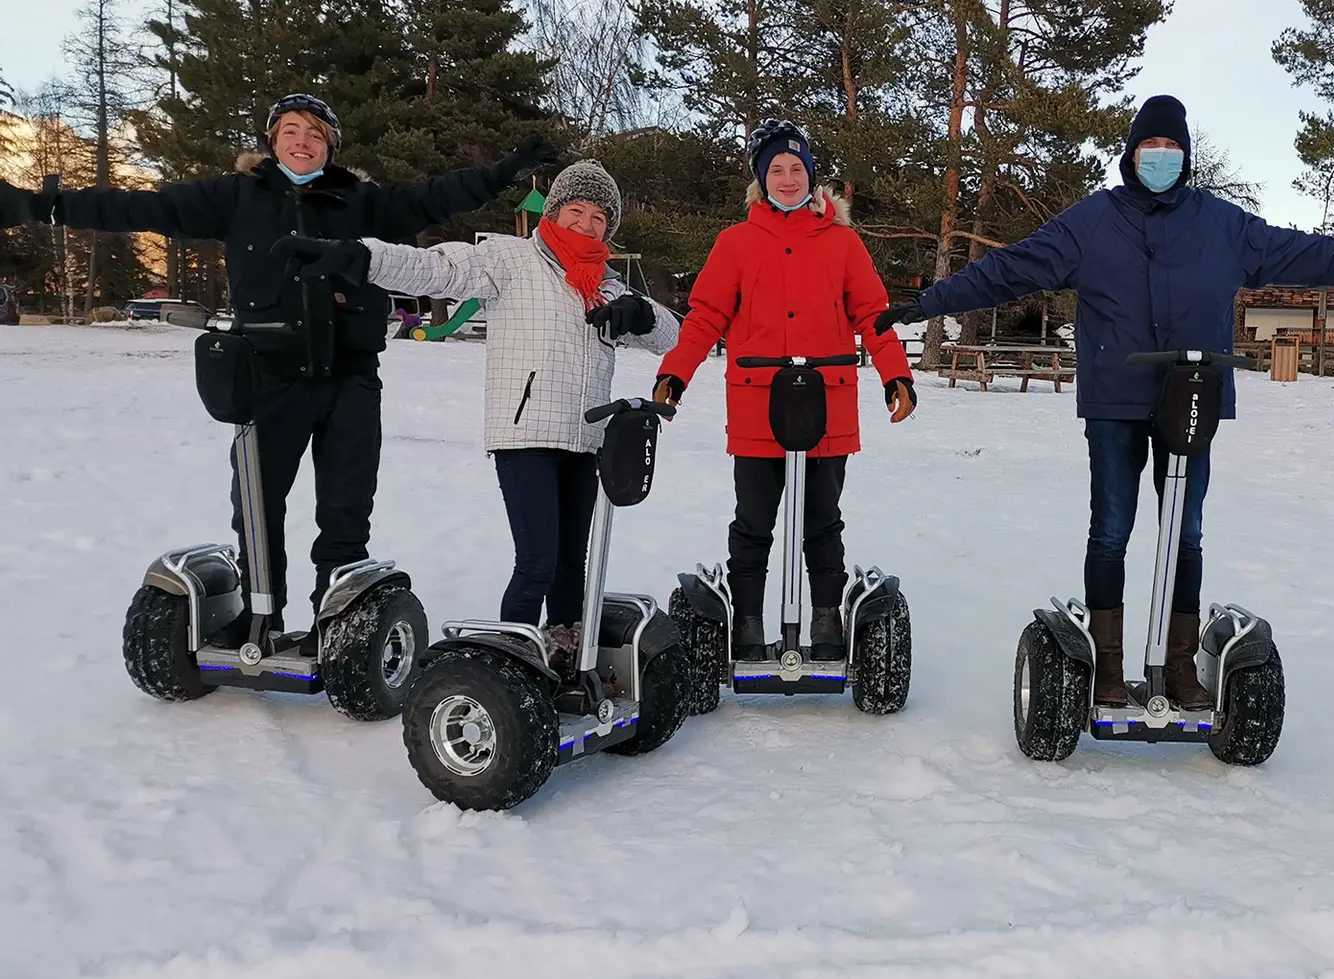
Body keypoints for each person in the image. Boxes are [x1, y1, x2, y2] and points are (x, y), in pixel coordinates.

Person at [871, 94, 1334, 710]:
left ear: (1186, 156)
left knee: (1185, 533)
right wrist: (928, 303)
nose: (1161, 157)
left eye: (1172, 148)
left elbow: (1308, 253)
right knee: (1111, 530)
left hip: (1190, 400)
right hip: (1117, 399)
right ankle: (1110, 668)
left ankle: (1178, 669)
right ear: (1131, 153)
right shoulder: (1090, 224)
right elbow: (1011, 269)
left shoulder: (1224, 226)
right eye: (1151, 147)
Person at [0, 94, 556, 650]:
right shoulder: (235, 196)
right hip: (268, 377)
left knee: (345, 512)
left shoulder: (362, 202)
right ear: (272, 141)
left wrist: (504, 172)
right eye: (290, 131)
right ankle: (258, 616)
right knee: (258, 508)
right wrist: (46, 206)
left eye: (314, 133)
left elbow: (437, 196)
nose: (301, 141)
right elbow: (142, 207)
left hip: (350, 380)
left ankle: (333, 626)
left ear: (330, 146)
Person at [275, 161, 680, 670]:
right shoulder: (509, 260)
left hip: (587, 439)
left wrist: (642, 313)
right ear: (553, 212)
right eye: (576, 210)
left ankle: (564, 654)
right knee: (536, 564)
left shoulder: (608, 284)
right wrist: (359, 256)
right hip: (525, 435)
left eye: (600, 217)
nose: (587, 223)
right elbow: (438, 268)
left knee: (570, 567)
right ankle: (508, 668)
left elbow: (672, 335)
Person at [652, 119, 916, 661]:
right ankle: (747, 624)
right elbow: (705, 316)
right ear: (761, 178)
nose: (788, 178)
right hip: (756, 401)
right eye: (777, 169)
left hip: (828, 399)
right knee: (754, 519)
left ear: (812, 176)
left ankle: (825, 623)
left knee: (823, 519)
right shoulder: (736, 243)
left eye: (797, 168)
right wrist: (674, 373)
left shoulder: (843, 243)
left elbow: (873, 315)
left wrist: (896, 373)